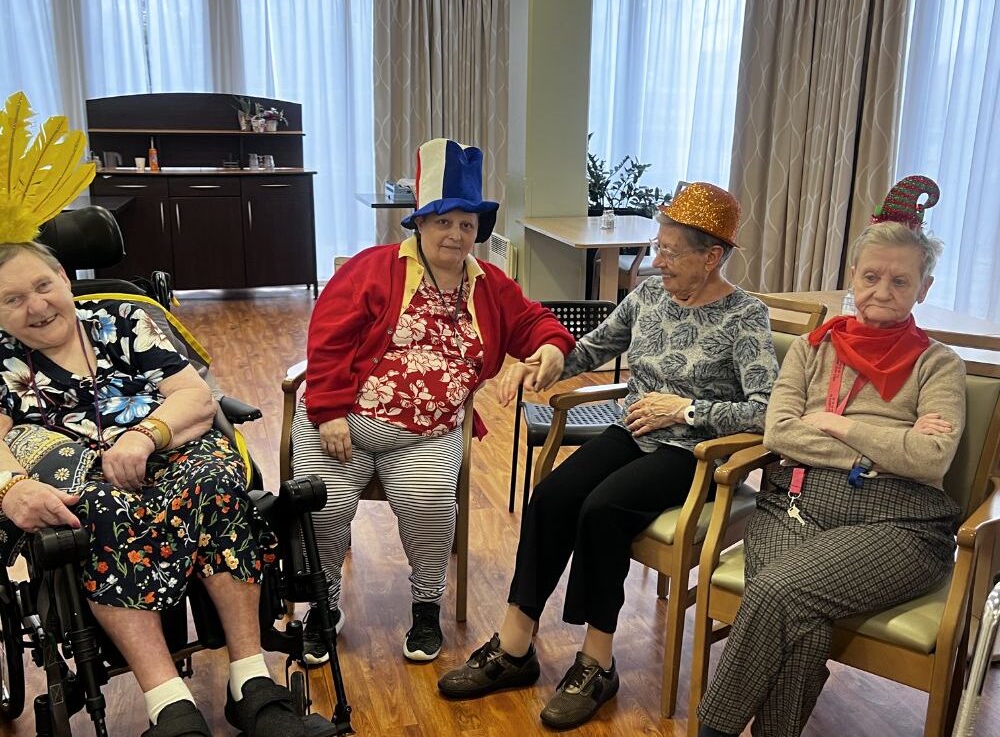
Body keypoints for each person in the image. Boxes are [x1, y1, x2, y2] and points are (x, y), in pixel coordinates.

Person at [0, 91, 304, 737]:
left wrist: (143, 436)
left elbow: (195, 395)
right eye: (10, 300)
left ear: (63, 276)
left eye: (43, 285)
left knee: (220, 477)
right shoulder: (1, 364)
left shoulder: (124, 318)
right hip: (85, 492)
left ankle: (252, 683)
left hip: (168, 459)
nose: (35, 305)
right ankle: (171, 704)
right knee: (100, 509)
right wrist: (11, 486)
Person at [438, 182, 781, 730]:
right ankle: (514, 648)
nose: (656, 260)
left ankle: (597, 664)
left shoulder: (746, 318)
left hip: (693, 453)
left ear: (712, 256)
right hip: (634, 432)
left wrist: (687, 409)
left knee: (603, 511)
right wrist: (539, 363)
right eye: (657, 245)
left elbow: (768, 412)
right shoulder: (648, 297)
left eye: (671, 251)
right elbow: (592, 349)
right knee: (550, 497)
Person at [696, 176, 965, 737]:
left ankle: (711, 730)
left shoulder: (939, 364)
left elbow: (932, 459)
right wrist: (886, 446)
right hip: (794, 503)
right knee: (804, 624)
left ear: (924, 287)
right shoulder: (812, 349)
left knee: (775, 591)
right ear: (852, 278)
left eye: (900, 280)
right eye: (871, 276)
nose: (882, 290)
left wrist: (841, 424)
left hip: (900, 524)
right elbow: (780, 432)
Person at [292, 138, 575, 665]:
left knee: (428, 508)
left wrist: (551, 347)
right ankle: (322, 606)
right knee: (322, 511)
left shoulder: (490, 285)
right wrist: (328, 412)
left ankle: (426, 606)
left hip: (427, 433)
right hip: (342, 423)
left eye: (467, 224)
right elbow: (327, 337)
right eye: (444, 221)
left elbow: (537, 322)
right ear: (420, 223)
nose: (456, 234)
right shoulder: (371, 268)